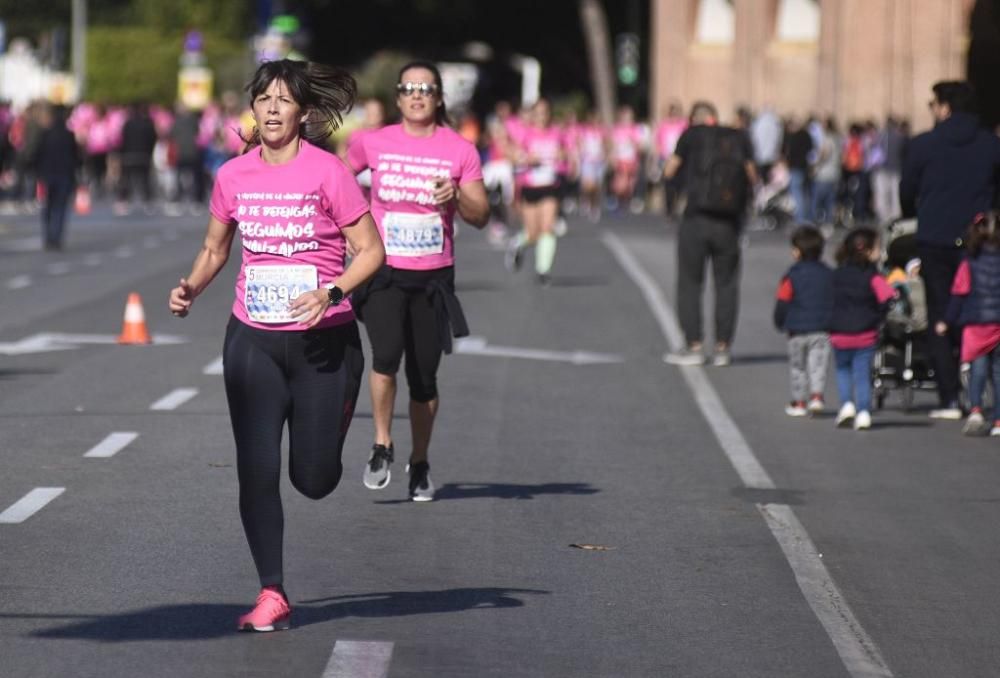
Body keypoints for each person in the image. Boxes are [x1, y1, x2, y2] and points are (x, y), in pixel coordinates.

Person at [167, 59, 385, 632]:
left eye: (282, 100)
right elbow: (216, 250)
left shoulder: (328, 172)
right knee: (256, 470)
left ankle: (340, 407)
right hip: (253, 340)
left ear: (303, 113)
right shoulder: (233, 176)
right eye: (262, 98)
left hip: (323, 343)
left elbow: (371, 251)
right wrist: (192, 285)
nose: (270, 108)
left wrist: (331, 290)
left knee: (313, 480)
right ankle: (272, 590)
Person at [347, 60, 489, 501]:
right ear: (397, 97)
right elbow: (334, 182)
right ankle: (382, 443)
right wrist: (350, 233)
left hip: (433, 277)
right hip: (384, 272)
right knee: (386, 355)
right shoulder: (371, 142)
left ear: (439, 97)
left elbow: (481, 215)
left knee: (424, 377)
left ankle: (421, 461)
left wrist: (457, 195)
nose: (417, 94)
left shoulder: (460, 149)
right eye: (408, 87)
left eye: (426, 88)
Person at [900, 80, 1000, 419]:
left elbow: (906, 189)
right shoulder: (991, 145)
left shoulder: (924, 144)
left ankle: (949, 398)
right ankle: (979, 391)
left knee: (940, 314)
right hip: (979, 240)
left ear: (944, 107)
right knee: (983, 309)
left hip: (935, 238)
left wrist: (916, 215)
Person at [662, 100, 757, 367]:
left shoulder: (690, 135)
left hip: (695, 218)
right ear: (715, 117)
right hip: (728, 221)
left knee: (690, 283)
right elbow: (752, 176)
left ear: (694, 119)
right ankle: (723, 347)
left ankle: (694, 345)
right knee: (726, 283)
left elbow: (669, 170)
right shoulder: (739, 138)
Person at [830, 227, 896, 430]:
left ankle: (847, 404)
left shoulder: (836, 275)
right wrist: (879, 314)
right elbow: (887, 297)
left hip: (839, 332)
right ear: (868, 252)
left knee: (843, 370)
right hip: (865, 332)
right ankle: (864, 411)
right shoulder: (873, 277)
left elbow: (827, 299)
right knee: (862, 373)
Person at [941, 212, 1000, 436]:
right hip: (998, 324)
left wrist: (947, 320)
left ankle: (976, 409)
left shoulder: (969, 262)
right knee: (998, 373)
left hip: (976, 324)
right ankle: (998, 421)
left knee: (978, 370)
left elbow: (959, 292)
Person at [773, 225, 833, 416]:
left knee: (798, 366)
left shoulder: (791, 276)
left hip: (796, 329)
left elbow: (783, 301)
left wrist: (779, 321)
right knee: (818, 364)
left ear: (797, 252)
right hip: (821, 328)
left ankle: (799, 402)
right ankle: (816, 396)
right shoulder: (828, 275)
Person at [504, 97, 565, 285]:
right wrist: (527, 159)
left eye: (545, 112)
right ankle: (517, 244)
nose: (541, 117)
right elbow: (513, 157)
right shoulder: (525, 134)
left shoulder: (557, 133)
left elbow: (566, 155)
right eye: (538, 113)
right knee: (532, 233)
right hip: (530, 186)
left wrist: (562, 156)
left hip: (550, 186)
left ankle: (543, 270)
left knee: (547, 227)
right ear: (533, 115)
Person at [33, 105, 79, 251]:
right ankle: (56, 237)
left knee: (47, 207)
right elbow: (76, 158)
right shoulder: (68, 135)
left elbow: (36, 154)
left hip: (46, 175)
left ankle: (48, 237)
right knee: (59, 207)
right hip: (64, 175)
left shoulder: (44, 134)